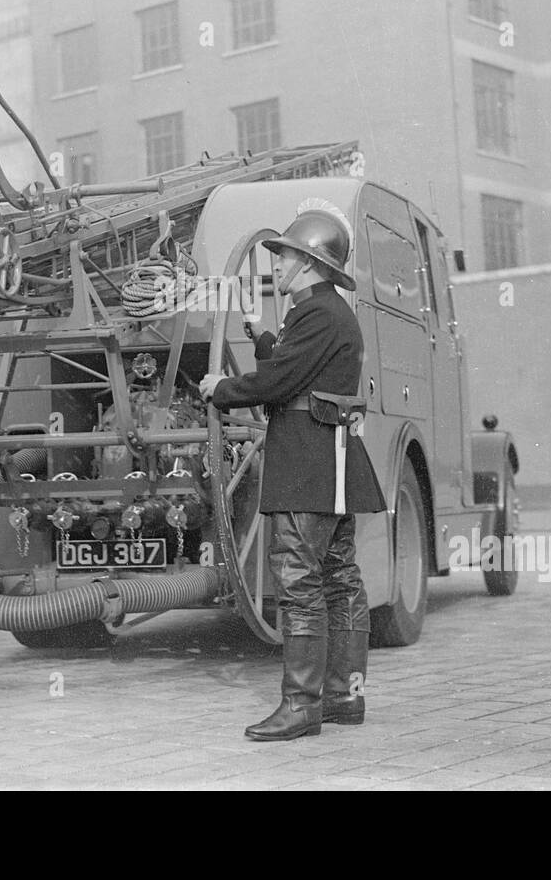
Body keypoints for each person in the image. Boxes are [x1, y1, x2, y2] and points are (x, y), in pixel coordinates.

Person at [200, 210, 385, 741]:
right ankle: (343, 699)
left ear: (307, 260)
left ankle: (301, 707)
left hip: (305, 465)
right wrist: (264, 343)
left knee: (300, 584)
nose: (276, 262)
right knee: (339, 579)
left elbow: (280, 384)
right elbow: (297, 370)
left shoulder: (316, 314)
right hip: (332, 464)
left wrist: (221, 388)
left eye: (283, 254)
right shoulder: (326, 312)